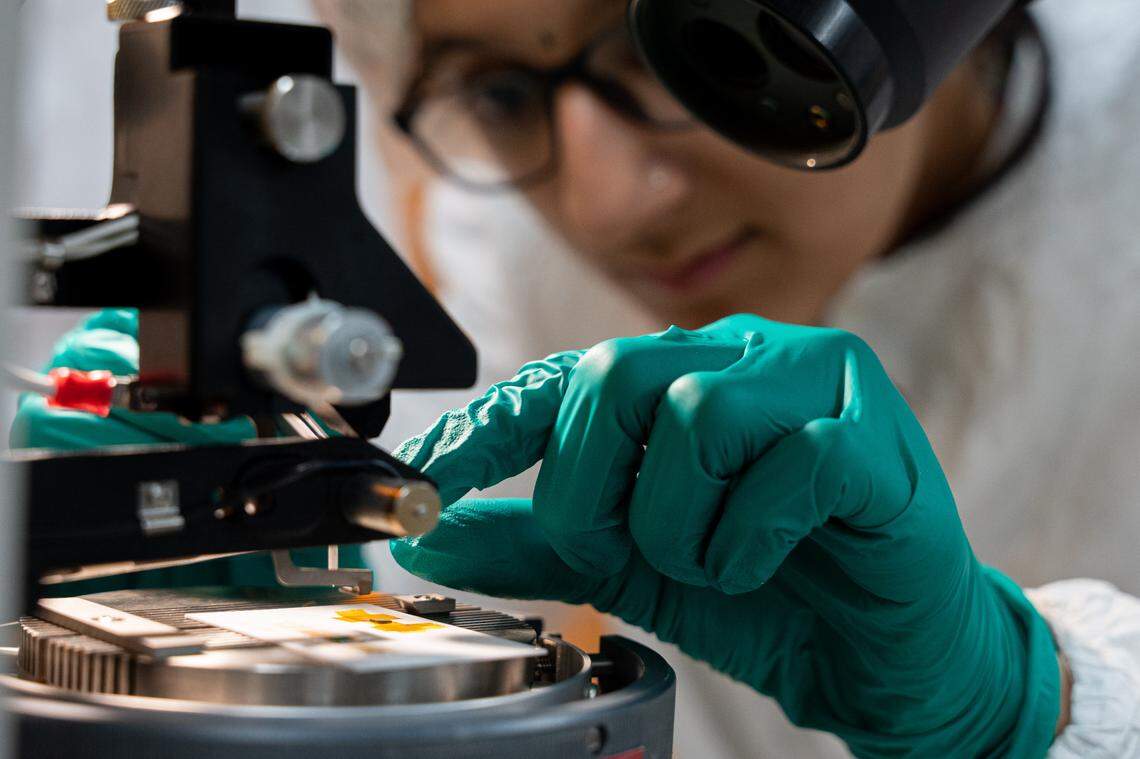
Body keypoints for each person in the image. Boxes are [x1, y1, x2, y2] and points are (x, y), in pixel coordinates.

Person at [12, 0, 1140, 756]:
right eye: (499, 92)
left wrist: (1034, 709)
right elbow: (439, 596)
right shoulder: (516, 254)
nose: (609, 208)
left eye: (665, 50)